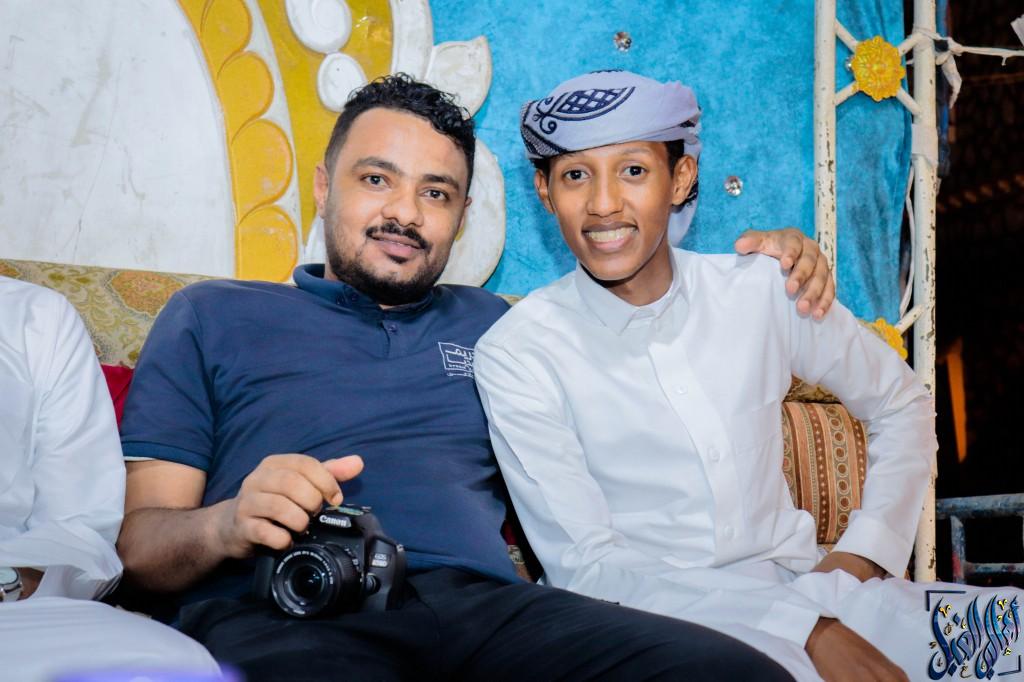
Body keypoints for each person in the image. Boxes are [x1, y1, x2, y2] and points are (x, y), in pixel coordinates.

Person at [115, 74, 834, 682]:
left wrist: (771, 268)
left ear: (461, 218)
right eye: (376, 179)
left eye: (436, 194)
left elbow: (656, 331)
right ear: (324, 187)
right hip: (292, 607)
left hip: (490, 612)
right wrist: (228, 523)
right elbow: (140, 551)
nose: (404, 213)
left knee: (737, 672)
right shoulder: (213, 314)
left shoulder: (504, 329)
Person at [474, 69, 1021, 682]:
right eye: (576, 175)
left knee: (1009, 642)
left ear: (681, 178)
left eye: (633, 170)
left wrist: (865, 552)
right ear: (545, 192)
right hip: (648, 629)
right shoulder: (519, 352)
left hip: (819, 591)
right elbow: (587, 568)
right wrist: (807, 630)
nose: (603, 203)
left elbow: (902, 403)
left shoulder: (760, 289)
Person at [0, 277, 221, 681]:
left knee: (168, 664)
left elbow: (81, 524)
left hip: (12, 609)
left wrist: (11, 583)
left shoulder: (37, 318)